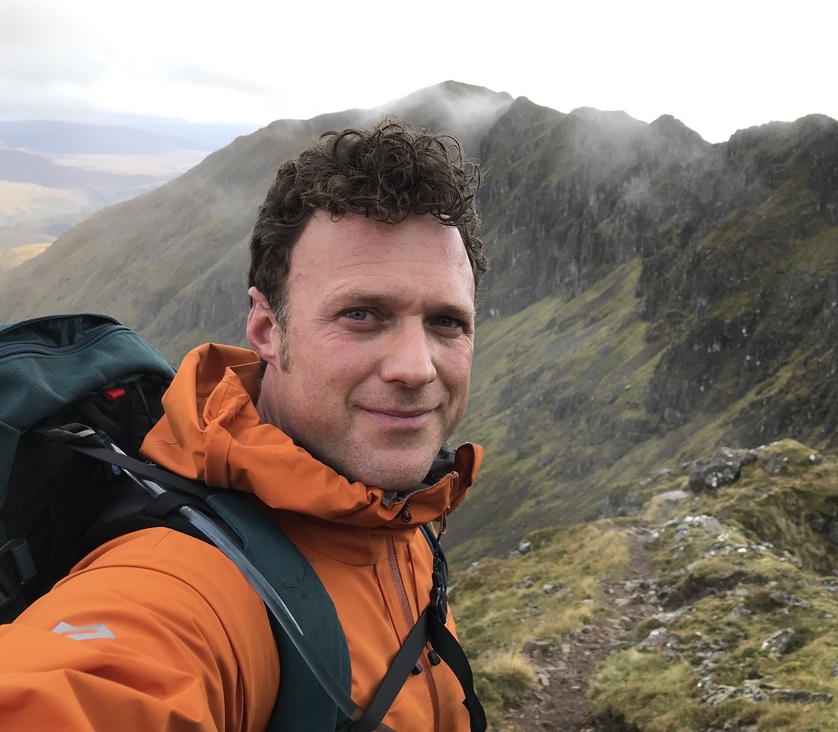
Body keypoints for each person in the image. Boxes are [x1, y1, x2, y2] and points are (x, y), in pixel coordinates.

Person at [0, 119, 489, 730]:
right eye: (361, 314)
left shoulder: (400, 510)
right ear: (266, 329)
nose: (416, 369)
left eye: (446, 322)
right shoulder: (182, 585)